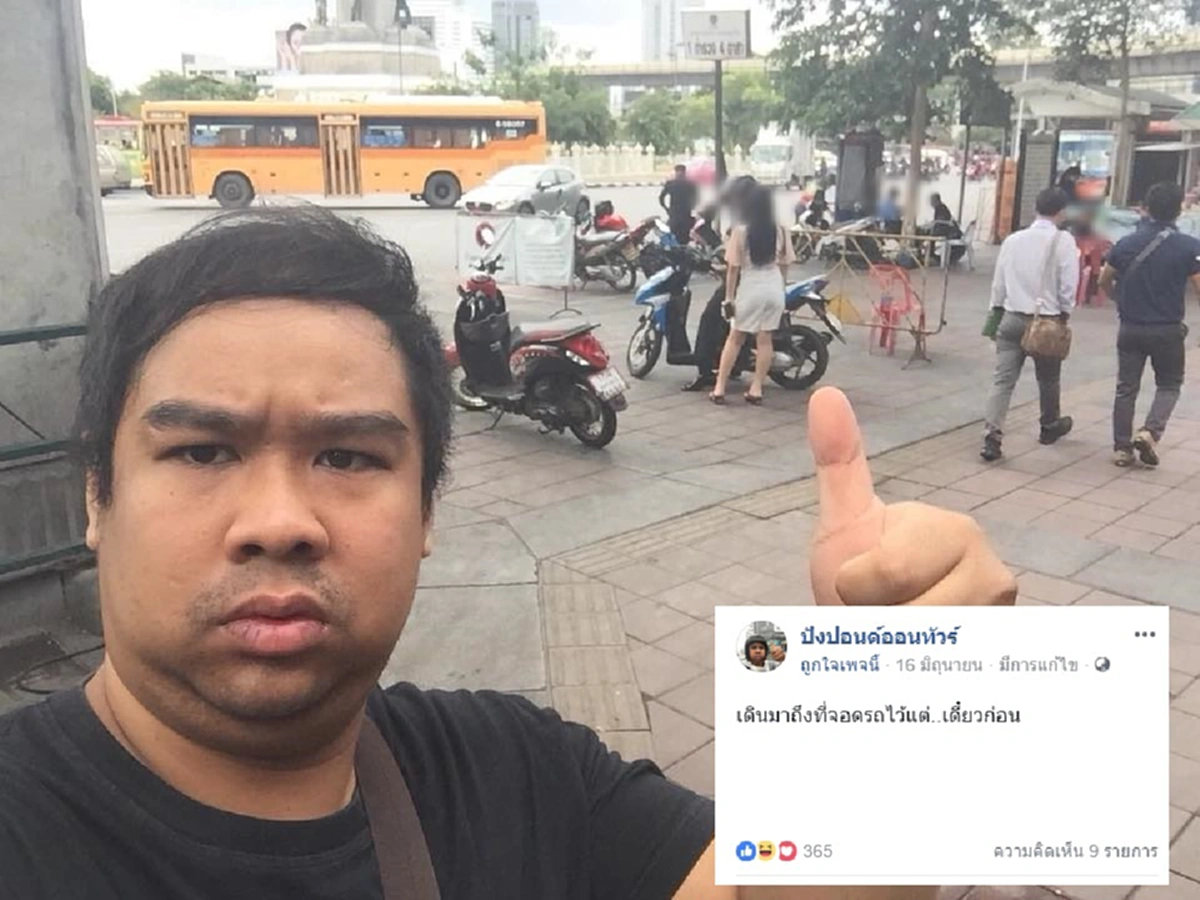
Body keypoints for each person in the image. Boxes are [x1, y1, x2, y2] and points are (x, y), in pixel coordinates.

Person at [0, 206, 1018, 899]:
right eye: (203, 450)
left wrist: (919, 700)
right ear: (97, 494)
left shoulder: (517, 775)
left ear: (429, 508)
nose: (279, 519)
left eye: (350, 455)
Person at [1099, 181, 1200, 468]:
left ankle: (1121, 448)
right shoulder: (1189, 246)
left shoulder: (1127, 243)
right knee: (1169, 384)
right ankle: (1150, 432)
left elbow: (1103, 279)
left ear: (1147, 208)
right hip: (1168, 328)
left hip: (1130, 327)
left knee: (1126, 388)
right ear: (1178, 210)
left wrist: (1119, 300)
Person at [980, 187, 1079, 462]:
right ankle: (1049, 425)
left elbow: (998, 284)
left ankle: (992, 435)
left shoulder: (1013, 240)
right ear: (1061, 211)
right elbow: (1069, 284)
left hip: (1011, 317)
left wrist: (995, 312)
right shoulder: (1064, 241)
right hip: (1045, 321)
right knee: (1048, 377)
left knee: (1003, 381)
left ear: (1036, 208)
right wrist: (1064, 311)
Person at [710, 185, 796, 405]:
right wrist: (782, 290)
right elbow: (786, 263)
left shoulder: (741, 231)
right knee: (765, 339)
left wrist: (729, 298)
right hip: (774, 286)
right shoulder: (780, 229)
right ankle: (756, 388)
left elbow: (733, 268)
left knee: (736, 337)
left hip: (751, 286)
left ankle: (720, 387)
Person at [682, 174, 758, 392]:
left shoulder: (741, 222)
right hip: (761, 281)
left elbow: (735, 263)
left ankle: (705, 371)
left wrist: (729, 294)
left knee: (709, 320)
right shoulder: (761, 217)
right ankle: (734, 365)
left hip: (740, 281)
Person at [659, 164, 698, 246]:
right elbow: (696, 199)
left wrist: (667, 209)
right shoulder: (690, 184)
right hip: (685, 215)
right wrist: (691, 207)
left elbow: (661, 198)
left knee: (674, 238)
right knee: (684, 239)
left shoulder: (670, 184)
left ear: (676, 172)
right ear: (684, 173)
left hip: (674, 215)